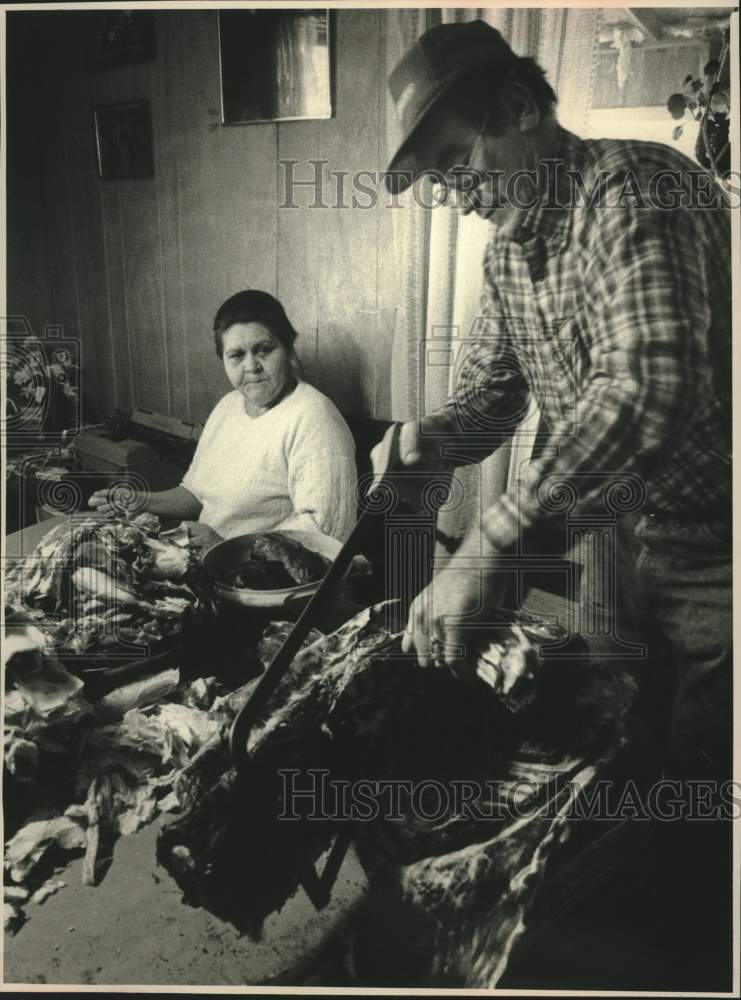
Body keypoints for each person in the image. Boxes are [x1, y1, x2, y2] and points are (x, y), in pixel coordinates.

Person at [374, 20, 732, 988]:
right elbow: (494, 395)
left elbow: (649, 385)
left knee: (707, 799)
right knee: (620, 757)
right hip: (617, 541)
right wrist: (428, 442)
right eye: (442, 179)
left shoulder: (638, 188)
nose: (459, 194)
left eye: (459, 159)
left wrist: (488, 552)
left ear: (523, 110)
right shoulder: (509, 254)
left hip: (718, 551)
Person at [90, 290, 357, 548]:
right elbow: (197, 494)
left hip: (268, 585)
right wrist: (141, 500)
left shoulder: (314, 417)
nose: (251, 366)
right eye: (237, 355)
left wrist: (224, 546)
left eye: (264, 349)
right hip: (211, 565)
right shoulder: (228, 406)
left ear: (287, 349)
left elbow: (326, 536)